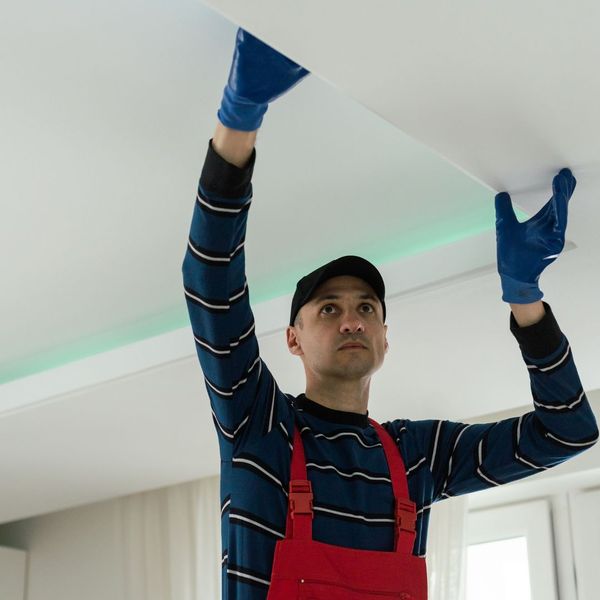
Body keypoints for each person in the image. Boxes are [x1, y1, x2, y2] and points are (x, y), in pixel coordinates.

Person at [182, 28, 599, 600]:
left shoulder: (415, 458)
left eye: (366, 308)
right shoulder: (259, 427)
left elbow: (569, 432)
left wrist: (525, 298)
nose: (351, 320)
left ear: (385, 337)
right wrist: (240, 116)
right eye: (328, 308)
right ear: (294, 340)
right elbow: (211, 282)